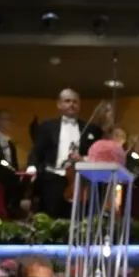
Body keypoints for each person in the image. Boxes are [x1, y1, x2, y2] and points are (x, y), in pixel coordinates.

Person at [28, 89, 102, 219]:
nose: (72, 104)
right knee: (49, 218)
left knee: (77, 218)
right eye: (67, 101)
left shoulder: (90, 129)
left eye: (75, 102)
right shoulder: (47, 126)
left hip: (78, 181)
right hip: (52, 178)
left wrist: (83, 158)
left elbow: (95, 155)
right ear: (59, 104)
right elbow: (37, 150)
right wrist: (32, 166)